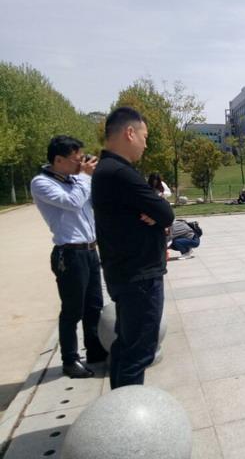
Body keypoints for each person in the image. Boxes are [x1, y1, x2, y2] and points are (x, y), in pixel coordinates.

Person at [92, 107, 175, 389]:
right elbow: (165, 213)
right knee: (138, 351)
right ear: (129, 133)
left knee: (125, 346)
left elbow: (158, 212)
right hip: (138, 275)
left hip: (126, 272)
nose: (145, 144)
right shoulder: (119, 173)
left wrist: (155, 212)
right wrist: (157, 213)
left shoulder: (108, 170)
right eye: (144, 136)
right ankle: (126, 410)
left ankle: (118, 406)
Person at [31, 136, 108, 378]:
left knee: (94, 305)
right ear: (58, 160)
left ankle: (95, 350)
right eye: (76, 159)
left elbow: (94, 202)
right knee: (72, 310)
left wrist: (93, 177)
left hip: (90, 250)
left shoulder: (75, 180)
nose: (81, 163)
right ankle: (70, 360)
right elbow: (73, 202)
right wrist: (84, 176)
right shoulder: (41, 183)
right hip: (70, 253)